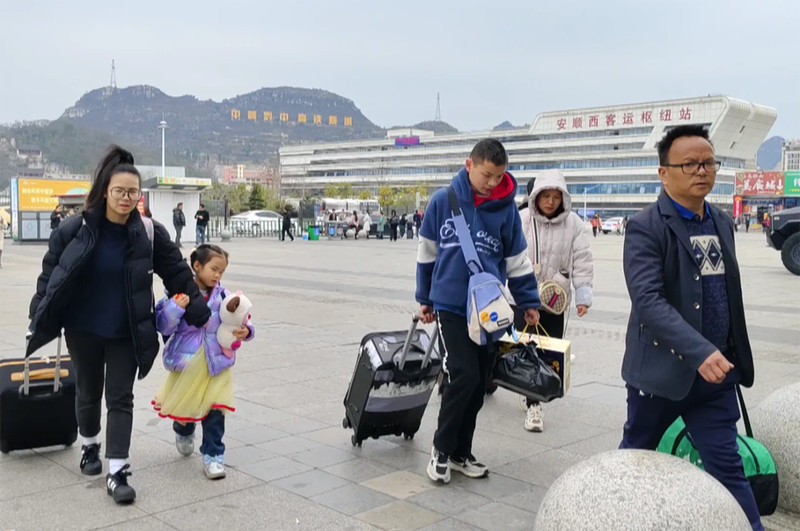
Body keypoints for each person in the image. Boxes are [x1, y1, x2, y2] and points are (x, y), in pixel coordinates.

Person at [27, 145, 210, 504]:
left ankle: (117, 470)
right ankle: (90, 445)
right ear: (105, 191)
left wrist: (200, 312)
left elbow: (176, 272)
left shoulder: (147, 232)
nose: (126, 199)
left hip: (127, 329)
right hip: (82, 329)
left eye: (133, 192)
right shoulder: (75, 229)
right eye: (119, 191)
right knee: (88, 392)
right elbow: (51, 274)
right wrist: (38, 315)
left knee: (121, 398)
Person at [620, 125, 762, 531]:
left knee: (728, 469)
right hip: (661, 376)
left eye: (708, 162)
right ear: (664, 173)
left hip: (715, 378)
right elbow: (648, 302)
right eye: (689, 164)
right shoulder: (646, 226)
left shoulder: (720, 221)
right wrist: (699, 352)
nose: (702, 171)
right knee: (635, 459)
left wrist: (728, 354)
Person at [416, 138, 541, 484]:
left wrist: (529, 302)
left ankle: (460, 452)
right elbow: (427, 254)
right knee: (462, 375)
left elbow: (516, 261)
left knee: (479, 383)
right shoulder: (443, 201)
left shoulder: (506, 211)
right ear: (469, 164)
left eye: (498, 177)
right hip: (450, 305)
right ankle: (441, 451)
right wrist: (424, 298)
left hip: (488, 310)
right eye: (486, 175)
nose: (491, 183)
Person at [153, 244, 254, 480]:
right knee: (185, 409)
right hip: (188, 363)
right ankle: (183, 429)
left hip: (217, 364)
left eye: (221, 271)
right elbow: (163, 325)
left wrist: (245, 331)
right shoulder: (177, 294)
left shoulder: (224, 297)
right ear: (197, 266)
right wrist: (175, 308)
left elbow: (242, 320)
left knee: (215, 411)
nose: (217, 275)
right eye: (214, 269)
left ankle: (213, 456)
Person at [517, 169, 594, 432]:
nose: (550, 202)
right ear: (535, 196)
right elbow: (509, 257)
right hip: (524, 295)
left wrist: (583, 293)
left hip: (554, 298)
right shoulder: (523, 218)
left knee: (547, 352)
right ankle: (532, 403)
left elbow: (582, 259)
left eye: (556, 197)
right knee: (526, 349)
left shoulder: (573, 223)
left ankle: (533, 398)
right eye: (545, 196)